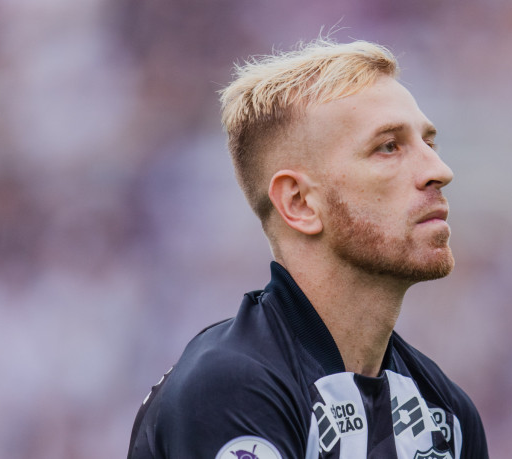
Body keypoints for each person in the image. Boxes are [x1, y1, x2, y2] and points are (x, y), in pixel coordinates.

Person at [127, 38, 489, 459]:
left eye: (430, 143)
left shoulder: (447, 413)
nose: (439, 171)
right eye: (388, 146)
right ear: (299, 203)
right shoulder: (232, 387)